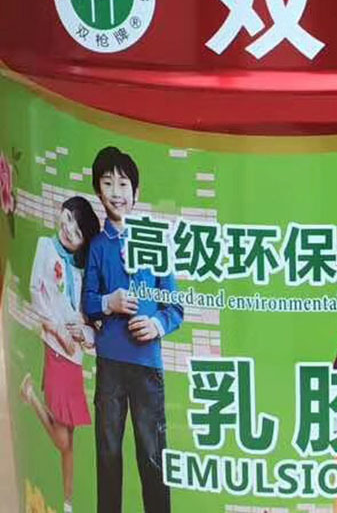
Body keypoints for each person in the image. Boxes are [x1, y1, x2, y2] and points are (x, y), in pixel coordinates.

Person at [83, 146, 183, 513]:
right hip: (110, 362)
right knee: (108, 450)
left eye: (123, 184)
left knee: (152, 452)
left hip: (146, 365)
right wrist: (109, 302)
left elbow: (175, 307)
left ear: (136, 192)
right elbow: (88, 301)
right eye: (107, 183)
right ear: (98, 191)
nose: (116, 192)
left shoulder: (154, 242)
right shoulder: (97, 247)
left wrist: (156, 324)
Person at [21, 196, 101, 513]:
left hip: (75, 358)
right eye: (67, 218)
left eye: (77, 231)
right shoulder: (46, 247)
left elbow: (88, 320)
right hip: (56, 351)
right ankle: (31, 397)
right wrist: (58, 332)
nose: (68, 229)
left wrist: (84, 335)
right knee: (63, 439)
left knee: (70, 441)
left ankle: (67, 502)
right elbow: (35, 292)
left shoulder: (82, 270)